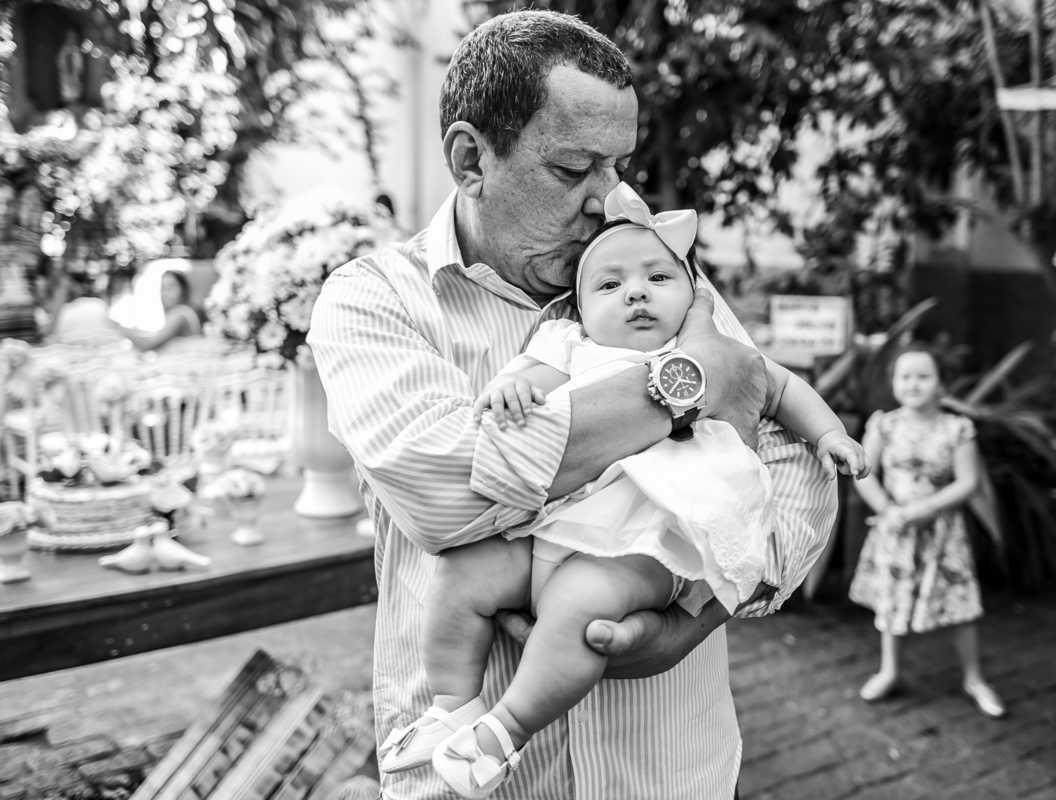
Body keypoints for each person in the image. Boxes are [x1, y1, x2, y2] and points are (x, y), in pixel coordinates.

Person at [307, 10, 839, 799]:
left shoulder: (656, 280)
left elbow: (798, 468)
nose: (610, 199)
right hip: (471, 783)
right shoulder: (375, 301)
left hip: (667, 767)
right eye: (573, 169)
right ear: (469, 158)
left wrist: (703, 608)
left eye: (618, 166)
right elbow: (447, 491)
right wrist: (680, 385)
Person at [378, 184, 870, 796]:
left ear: (694, 297)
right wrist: (511, 389)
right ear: (579, 309)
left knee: (579, 606)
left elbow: (782, 390)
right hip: (550, 529)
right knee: (464, 570)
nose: (635, 291)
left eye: (658, 277)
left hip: (651, 540)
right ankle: (451, 705)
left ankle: (503, 733)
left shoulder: (714, 347)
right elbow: (518, 382)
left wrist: (829, 435)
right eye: (608, 286)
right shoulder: (566, 344)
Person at [848, 343, 1006, 718]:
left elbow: (968, 482)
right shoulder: (883, 424)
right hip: (895, 527)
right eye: (905, 376)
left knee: (961, 602)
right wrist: (888, 510)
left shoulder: (958, 428)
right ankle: (890, 671)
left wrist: (925, 508)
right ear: (894, 383)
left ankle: (974, 678)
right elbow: (862, 473)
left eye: (923, 376)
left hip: (942, 531)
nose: (913, 383)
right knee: (892, 599)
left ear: (941, 385)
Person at [114, 269, 203, 352]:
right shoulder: (184, 313)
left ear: (183, 291)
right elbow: (152, 335)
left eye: (170, 288)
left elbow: (149, 344)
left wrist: (117, 326)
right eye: (162, 289)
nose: (165, 294)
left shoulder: (181, 313)